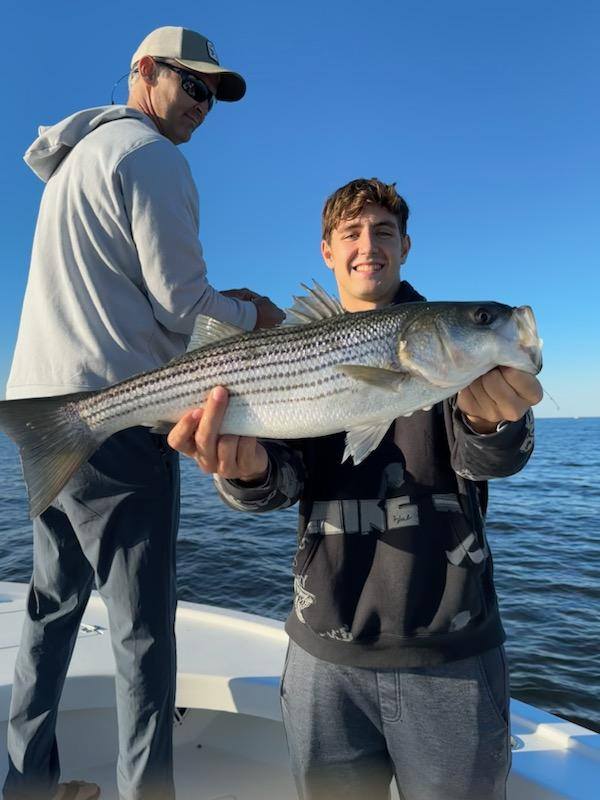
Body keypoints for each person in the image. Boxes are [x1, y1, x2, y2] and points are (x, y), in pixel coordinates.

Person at [167, 177, 543, 800]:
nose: (368, 245)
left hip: (448, 650)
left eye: (385, 232)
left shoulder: (452, 355)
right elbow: (278, 483)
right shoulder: (297, 344)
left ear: (405, 247)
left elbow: (488, 455)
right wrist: (245, 470)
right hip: (324, 653)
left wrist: (491, 419)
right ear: (327, 252)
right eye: (351, 233)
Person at [3, 25, 284, 800]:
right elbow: (184, 305)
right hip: (118, 423)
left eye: (213, 96)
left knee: (50, 612)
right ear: (145, 74)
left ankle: (25, 786)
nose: (203, 106)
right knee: (143, 635)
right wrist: (256, 314)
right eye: (192, 85)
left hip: (47, 413)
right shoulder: (154, 158)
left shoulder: (74, 165)